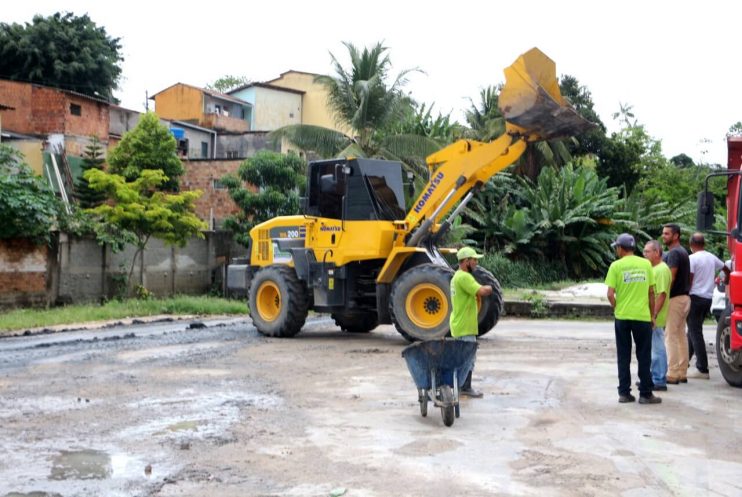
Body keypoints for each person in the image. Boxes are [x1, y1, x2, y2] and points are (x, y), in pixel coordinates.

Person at [605, 233, 661, 404]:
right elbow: (651, 293)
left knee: (623, 355)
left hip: (622, 317)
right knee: (644, 355)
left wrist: (617, 307)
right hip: (642, 317)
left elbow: (610, 294)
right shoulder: (646, 264)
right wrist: (652, 315)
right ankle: (645, 393)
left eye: (617, 247)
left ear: (621, 248)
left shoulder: (615, 266)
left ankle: (624, 393)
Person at [450, 246, 493, 398]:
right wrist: (490, 287)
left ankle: (460, 385)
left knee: (462, 358)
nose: (476, 263)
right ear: (466, 261)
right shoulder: (464, 277)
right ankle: (465, 388)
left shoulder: (456, 276)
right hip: (465, 326)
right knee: (468, 359)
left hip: (459, 324)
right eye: (474, 260)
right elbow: (481, 291)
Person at [687, 232, 730, 379]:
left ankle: (702, 368)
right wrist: (727, 281)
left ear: (691, 244)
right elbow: (726, 268)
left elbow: (690, 278)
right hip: (707, 298)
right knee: (693, 331)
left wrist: (686, 293)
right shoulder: (711, 257)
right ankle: (684, 361)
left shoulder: (691, 258)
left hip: (695, 297)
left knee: (695, 331)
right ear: (704, 244)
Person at [661, 223, 691, 384]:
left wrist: (664, 296)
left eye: (667, 234)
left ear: (676, 235)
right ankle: (682, 371)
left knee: (670, 335)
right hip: (685, 298)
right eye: (663, 233)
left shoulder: (674, 253)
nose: (663, 236)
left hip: (675, 299)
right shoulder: (684, 252)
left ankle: (672, 373)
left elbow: (671, 278)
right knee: (680, 335)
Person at [642, 240, 671, 391]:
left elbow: (661, 295)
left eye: (647, 251)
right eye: (644, 251)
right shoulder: (654, 269)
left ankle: (659, 379)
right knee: (653, 348)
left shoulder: (661, 270)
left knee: (657, 347)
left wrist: (653, 314)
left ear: (657, 252)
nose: (644, 254)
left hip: (656, 317)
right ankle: (653, 377)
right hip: (652, 315)